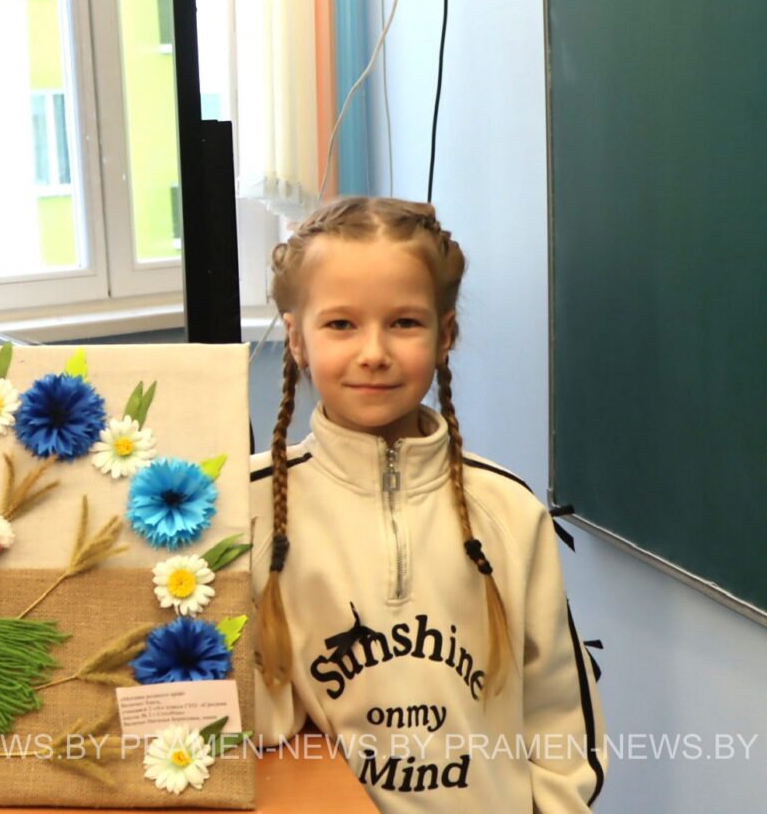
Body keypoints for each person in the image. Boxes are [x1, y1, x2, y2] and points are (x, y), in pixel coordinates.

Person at [251, 197, 605, 812]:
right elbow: (254, 727)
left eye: (403, 323)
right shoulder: (249, 509)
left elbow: (560, 718)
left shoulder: (507, 511)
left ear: (446, 334)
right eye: (341, 324)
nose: (373, 351)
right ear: (297, 338)